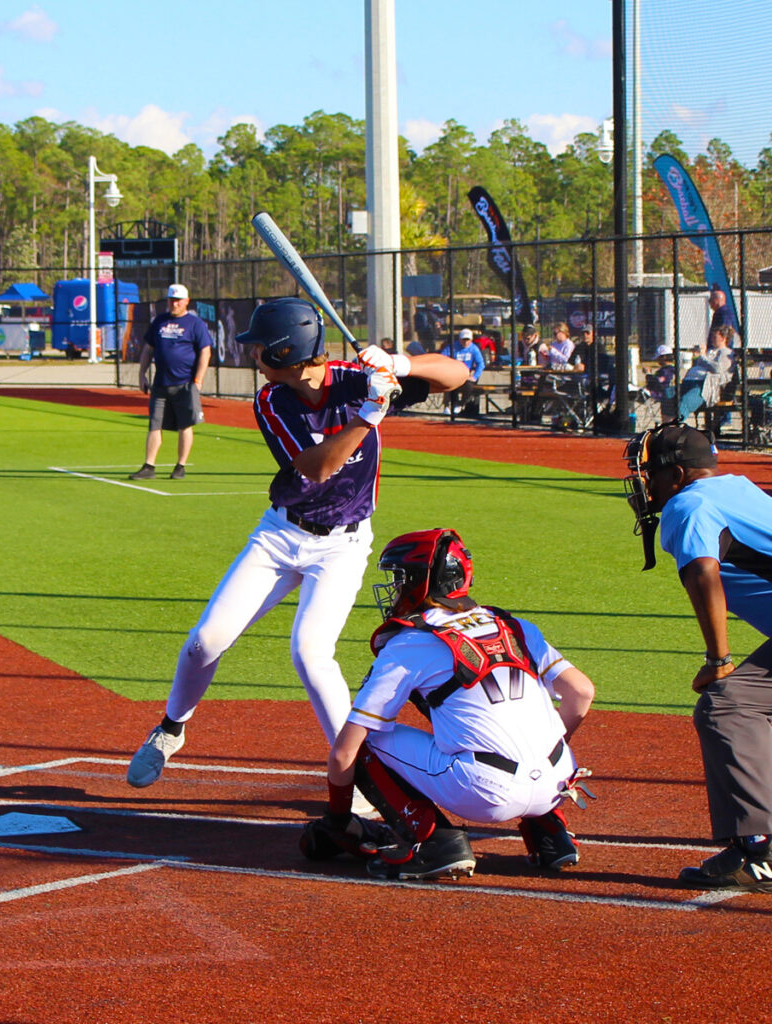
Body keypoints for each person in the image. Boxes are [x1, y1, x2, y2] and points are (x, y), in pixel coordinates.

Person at [126, 298, 468, 793]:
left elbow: (456, 374)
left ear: (286, 352)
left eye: (261, 348)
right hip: (280, 536)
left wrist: (400, 366)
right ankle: (170, 729)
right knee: (207, 641)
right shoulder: (272, 401)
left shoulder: (357, 379)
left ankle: (363, 781)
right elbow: (316, 468)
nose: (253, 356)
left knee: (311, 653)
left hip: (343, 546)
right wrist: (369, 417)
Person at [299, 528, 595, 880]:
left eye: (401, 576)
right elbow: (581, 692)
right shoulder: (514, 624)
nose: (396, 587)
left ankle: (436, 840)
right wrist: (541, 759)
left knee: (363, 742)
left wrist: (337, 821)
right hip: (557, 783)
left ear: (423, 582)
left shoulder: (410, 643)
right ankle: (550, 832)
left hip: (486, 793)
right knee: (516, 734)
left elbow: (344, 754)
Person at [623, 423, 772, 892]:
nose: (645, 483)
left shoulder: (689, 503)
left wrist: (719, 658)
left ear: (678, 474)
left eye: (649, 473)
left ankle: (760, 854)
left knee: (727, 706)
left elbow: (704, 572)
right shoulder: (738, 488)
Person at [130, 284, 212, 480]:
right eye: (171, 300)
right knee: (154, 425)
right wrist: (142, 374)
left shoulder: (195, 324)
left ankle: (180, 466)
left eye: (178, 301)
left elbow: (205, 351)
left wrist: (198, 379)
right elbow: (147, 350)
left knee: (185, 425)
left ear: (186, 301)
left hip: (185, 383)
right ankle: (149, 465)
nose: (174, 304)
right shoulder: (159, 321)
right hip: (160, 384)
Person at [677, 323, 735, 423]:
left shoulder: (726, 353)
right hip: (689, 382)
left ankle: (676, 428)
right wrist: (698, 356)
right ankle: (666, 428)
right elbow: (699, 365)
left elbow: (717, 369)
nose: (712, 339)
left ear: (723, 338)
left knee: (685, 401)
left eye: (715, 336)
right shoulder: (710, 351)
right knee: (668, 395)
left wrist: (703, 356)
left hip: (703, 387)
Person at [441, 328, 485, 415]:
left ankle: (460, 405)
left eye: (467, 340)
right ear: (459, 339)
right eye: (463, 339)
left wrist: (475, 376)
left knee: (469, 387)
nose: (465, 342)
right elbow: (442, 357)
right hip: (453, 374)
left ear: (471, 340)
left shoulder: (474, 349)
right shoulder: (453, 347)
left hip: (466, 375)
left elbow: (481, 364)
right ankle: (449, 405)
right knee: (449, 385)